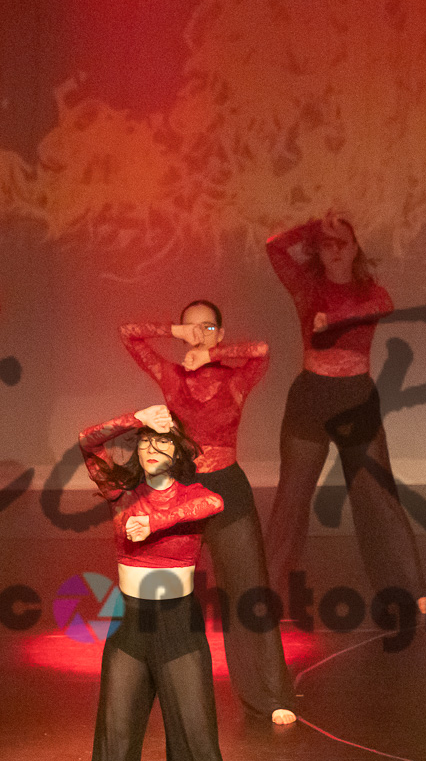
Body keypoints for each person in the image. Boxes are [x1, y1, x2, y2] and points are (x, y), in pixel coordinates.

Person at [62, 405, 256, 761]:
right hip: (131, 627)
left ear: (178, 450)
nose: (151, 449)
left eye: (162, 441)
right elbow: (87, 441)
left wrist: (155, 522)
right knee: (115, 733)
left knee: (196, 733)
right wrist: (136, 418)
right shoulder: (121, 492)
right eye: (145, 441)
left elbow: (213, 505)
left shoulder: (196, 493)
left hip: (178, 627)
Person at [120, 303, 296, 724]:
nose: (198, 333)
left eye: (209, 327)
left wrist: (210, 354)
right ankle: (158, 689)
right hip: (181, 492)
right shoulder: (171, 376)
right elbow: (129, 333)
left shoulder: (235, 378)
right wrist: (173, 330)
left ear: (221, 333)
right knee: (169, 593)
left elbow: (262, 350)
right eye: (191, 327)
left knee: (248, 590)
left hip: (228, 488)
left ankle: (270, 695)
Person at [263, 212, 426, 617]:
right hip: (311, 397)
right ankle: (269, 591)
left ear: (356, 248)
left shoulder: (371, 292)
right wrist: (311, 227)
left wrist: (335, 320)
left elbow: (381, 307)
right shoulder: (306, 288)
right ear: (318, 250)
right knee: (292, 499)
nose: (337, 251)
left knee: (377, 496)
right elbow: (274, 247)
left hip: (356, 398)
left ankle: (409, 589)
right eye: (328, 244)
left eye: (344, 243)